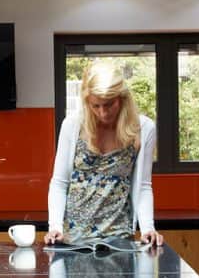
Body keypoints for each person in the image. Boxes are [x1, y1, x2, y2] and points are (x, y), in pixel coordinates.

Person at [46, 62, 164, 247]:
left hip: (118, 238)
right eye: (96, 106)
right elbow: (60, 183)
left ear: (122, 98)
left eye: (109, 104)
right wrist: (55, 227)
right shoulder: (72, 125)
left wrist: (148, 228)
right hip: (72, 239)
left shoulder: (143, 128)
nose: (103, 112)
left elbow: (143, 186)